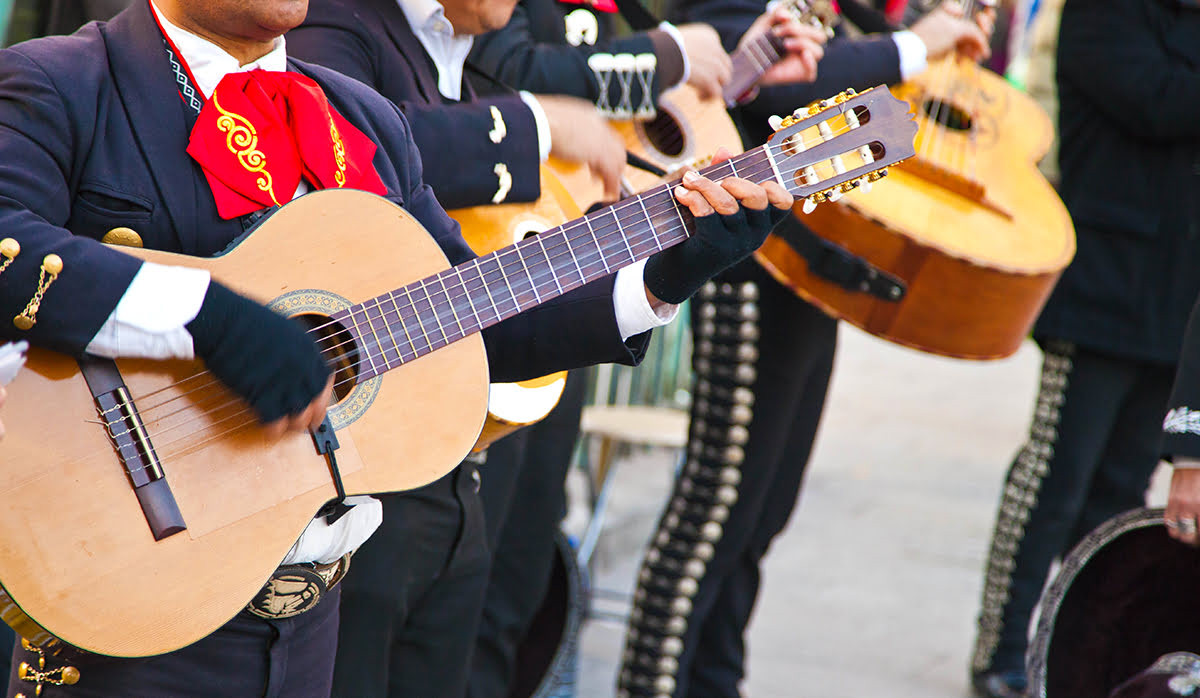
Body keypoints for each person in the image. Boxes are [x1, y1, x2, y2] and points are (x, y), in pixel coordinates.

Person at [0, 1, 792, 696]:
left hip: (316, 618)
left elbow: (470, 313)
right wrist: (204, 317)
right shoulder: (63, 81)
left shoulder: (361, 117)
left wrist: (662, 274)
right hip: (125, 587)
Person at [613, 2, 992, 696]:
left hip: (812, 262)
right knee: (718, 503)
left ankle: (715, 681)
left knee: (766, 507)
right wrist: (914, 44)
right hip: (741, 257)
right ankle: (651, 685)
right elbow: (780, 82)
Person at [465, 4, 826, 698]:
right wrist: (667, 54)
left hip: (570, 279)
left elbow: (631, 117)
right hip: (485, 259)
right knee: (465, 592)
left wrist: (736, 71)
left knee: (518, 574)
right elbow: (508, 65)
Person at [970, 0, 1200, 695]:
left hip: (1177, 301)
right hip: (1101, 285)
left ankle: (1075, 651)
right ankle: (1001, 654)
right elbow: (1156, 101)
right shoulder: (1104, 11)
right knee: (1051, 482)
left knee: (1120, 494)